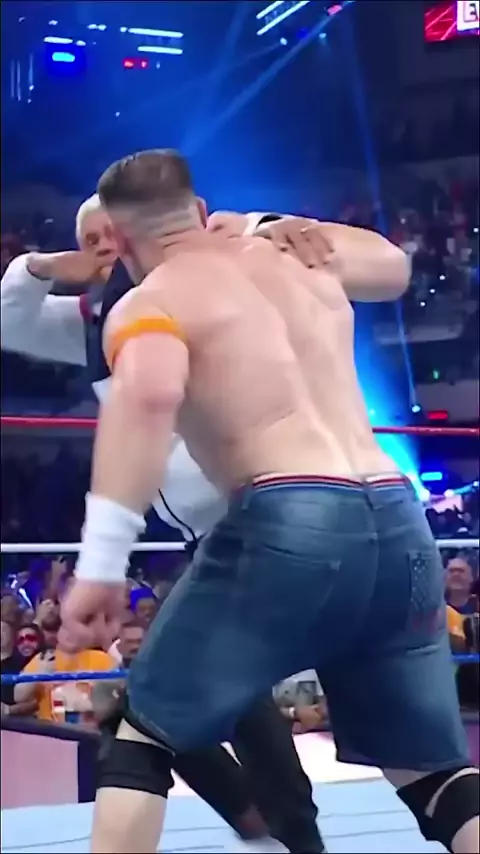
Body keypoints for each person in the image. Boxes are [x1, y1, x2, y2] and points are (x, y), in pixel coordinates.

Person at [61, 148, 478, 854]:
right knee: (432, 772)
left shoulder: (150, 301)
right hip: (397, 515)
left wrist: (100, 564)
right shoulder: (294, 257)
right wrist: (268, 222)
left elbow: (151, 395)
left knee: (143, 737)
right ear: (200, 211)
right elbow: (392, 265)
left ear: (124, 244)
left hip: (290, 514)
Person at [1, 197, 332, 853]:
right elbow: (9, 321)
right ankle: (272, 820)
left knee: (159, 692)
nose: (110, 247)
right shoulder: (97, 323)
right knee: (194, 685)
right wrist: (43, 267)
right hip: (210, 538)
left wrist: (261, 226)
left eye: (117, 233)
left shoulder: (207, 293)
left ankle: (278, 822)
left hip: (263, 512)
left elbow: (254, 252)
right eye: (94, 240)